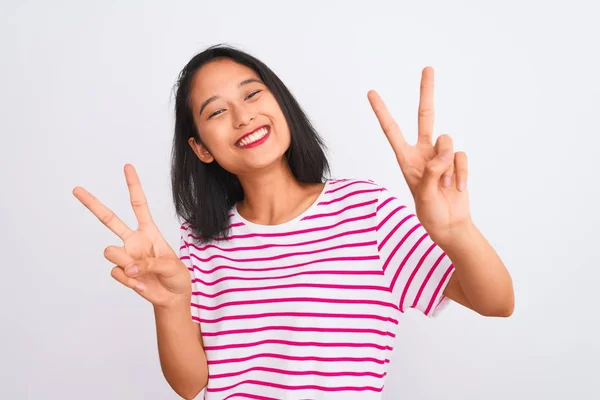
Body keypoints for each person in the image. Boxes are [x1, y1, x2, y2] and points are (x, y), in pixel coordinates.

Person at [73, 44, 514, 400]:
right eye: (216, 112)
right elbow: (191, 385)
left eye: (251, 94)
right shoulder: (200, 240)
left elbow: (496, 302)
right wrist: (169, 304)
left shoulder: (365, 212)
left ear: (280, 103)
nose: (243, 116)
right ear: (201, 148)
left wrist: (454, 231)